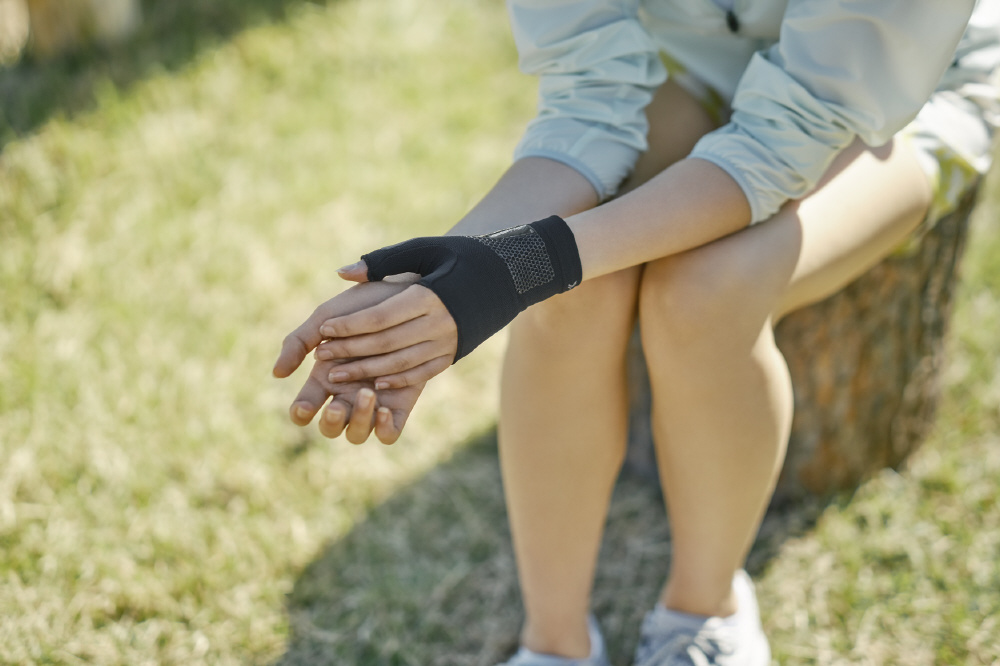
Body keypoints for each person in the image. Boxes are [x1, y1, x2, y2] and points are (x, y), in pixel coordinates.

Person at [273, 1, 1000, 664]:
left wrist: (521, 266)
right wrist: (444, 275)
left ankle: (703, 616)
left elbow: (797, 127)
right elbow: (590, 96)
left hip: (894, 94)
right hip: (681, 60)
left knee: (708, 294)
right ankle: (555, 642)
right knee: (576, 290)